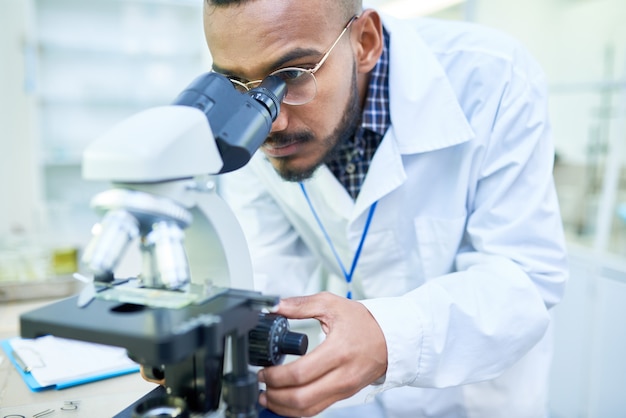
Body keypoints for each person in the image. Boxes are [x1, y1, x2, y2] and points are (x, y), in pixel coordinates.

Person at [202, 1, 569, 417]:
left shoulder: (495, 77)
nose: (270, 123)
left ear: (366, 42)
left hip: (475, 395)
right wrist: (215, 339)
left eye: (292, 75)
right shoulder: (248, 101)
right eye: (236, 85)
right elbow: (271, 269)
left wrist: (388, 337)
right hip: (350, 399)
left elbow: (524, 278)